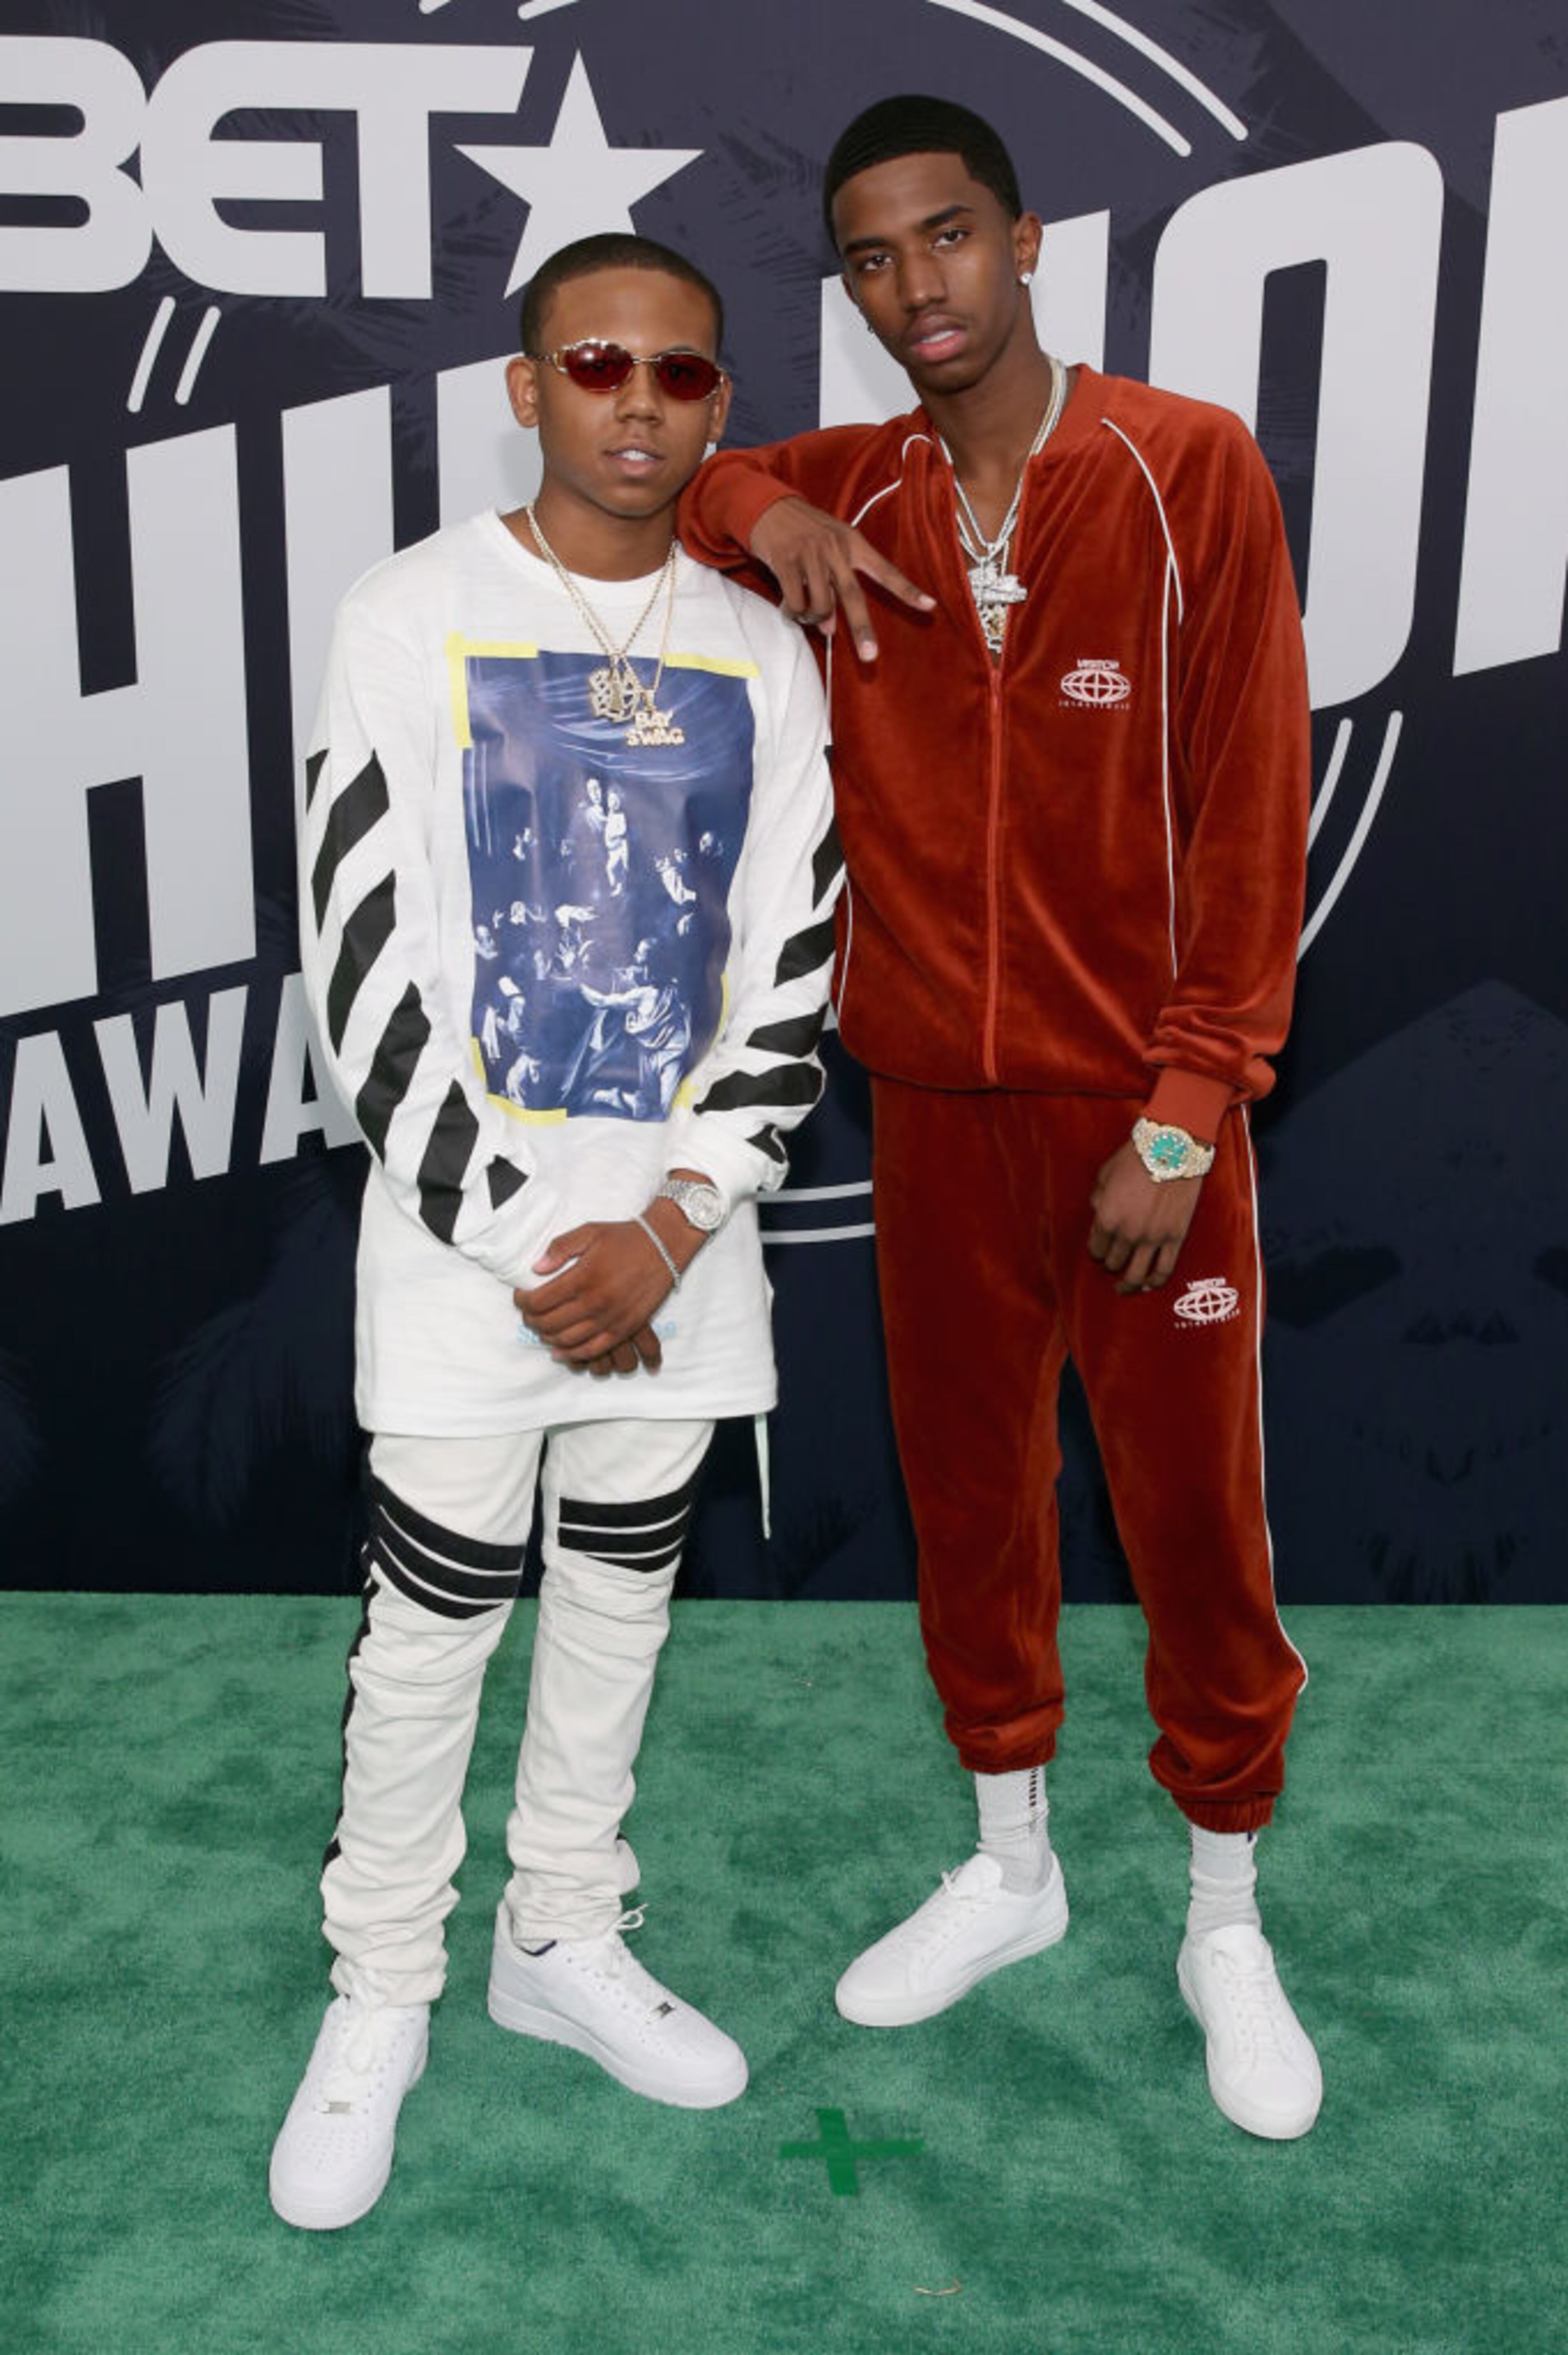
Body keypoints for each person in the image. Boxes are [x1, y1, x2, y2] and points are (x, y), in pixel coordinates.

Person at [679, 95, 1321, 2140]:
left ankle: (1224, 1909)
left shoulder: (1186, 465)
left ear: (1027, 239)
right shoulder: (851, 479)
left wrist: (1187, 1109)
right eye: (870, 260)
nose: (915, 287)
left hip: (1143, 1116)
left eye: (946, 236)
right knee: (972, 1503)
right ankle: (1011, 1861)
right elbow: (685, 487)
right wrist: (761, 512)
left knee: (1194, 1521)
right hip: (933, 1114)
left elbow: (1252, 800)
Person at [272, 232, 841, 2230]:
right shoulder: (407, 612)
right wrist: (540, 1246)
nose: (639, 401)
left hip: (681, 1252)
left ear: (718, 403)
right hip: (470, 1253)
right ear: (528, 387)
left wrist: (668, 1228)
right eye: (598, 362)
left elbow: (796, 966)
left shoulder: (764, 654)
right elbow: (362, 965)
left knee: (618, 1604)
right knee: (432, 1625)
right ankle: (383, 1984)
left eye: (681, 373)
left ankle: (562, 1929)